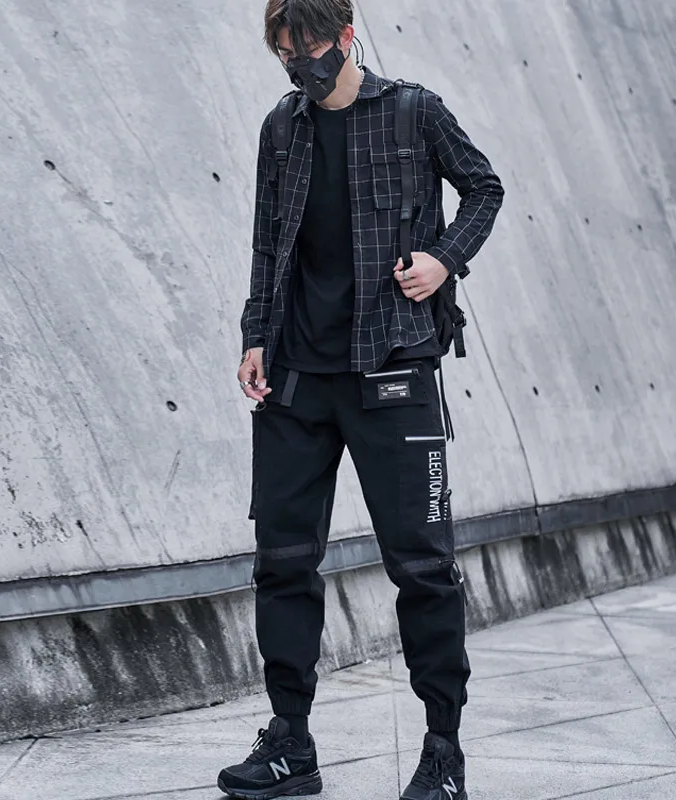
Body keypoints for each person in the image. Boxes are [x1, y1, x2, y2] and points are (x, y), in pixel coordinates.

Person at [219, 1, 504, 797]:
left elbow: (484, 189)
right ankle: (291, 742)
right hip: (297, 377)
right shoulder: (283, 129)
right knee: (282, 562)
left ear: (346, 37)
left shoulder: (414, 112)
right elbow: (267, 243)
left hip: (393, 370)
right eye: (285, 53)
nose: (299, 64)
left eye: (309, 47)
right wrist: (254, 336)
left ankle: (443, 752)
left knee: (423, 567)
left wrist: (443, 260)